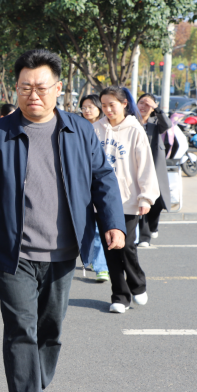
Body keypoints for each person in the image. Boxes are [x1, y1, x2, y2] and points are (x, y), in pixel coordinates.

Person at [0, 50, 125, 392]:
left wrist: (113, 222)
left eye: (40, 87)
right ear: (16, 88)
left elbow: (102, 178)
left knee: (51, 330)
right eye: (25, 87)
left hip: (62, 251)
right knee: (21, 329)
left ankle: (36, 390)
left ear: (58, 88)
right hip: (12, 252)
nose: (32, 95)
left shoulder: (80, 130)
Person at [93, 86, 160, 314]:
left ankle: (137, 284)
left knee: (127, 246)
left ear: (124, 104)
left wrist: (146, 197)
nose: (107, 110)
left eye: (112, 104)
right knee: (110, 250)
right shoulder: (95, 129)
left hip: (128, 200)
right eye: (103, 105)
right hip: (102, 201)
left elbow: (145, 165)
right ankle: (120, 297)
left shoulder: (134, 130)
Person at [77, 94, 110, 283]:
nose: (87, 110)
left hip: (99, 180)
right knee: (87, 224)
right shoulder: (77, 127)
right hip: (82, 182)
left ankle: (101, 267)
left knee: (99, 228)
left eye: (90, 107)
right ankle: (89, 257)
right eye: (84, 107)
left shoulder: (105, 128)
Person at [135, 93, 172, 247]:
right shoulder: (131, 121)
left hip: (155, 165)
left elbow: (167, 125)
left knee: (157, 202)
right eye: (141, 103)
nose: (143, 106)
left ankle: (153, 225)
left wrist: (157, 109)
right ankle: (144, 237)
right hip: (136, 165)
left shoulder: (156, 122)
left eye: (148, 104)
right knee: (142, 198)